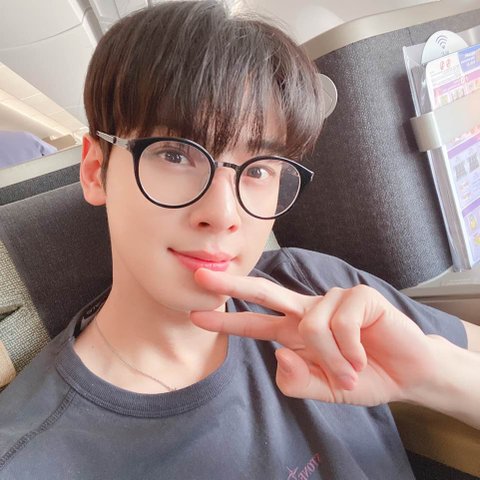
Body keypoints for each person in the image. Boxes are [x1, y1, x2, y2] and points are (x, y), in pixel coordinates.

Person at [0, 1, 479, 479]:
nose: (224, 214)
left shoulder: (315, 284)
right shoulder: (31, 458)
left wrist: (434, 376)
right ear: (94, 170)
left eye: (259, 169)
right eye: (175, 154)